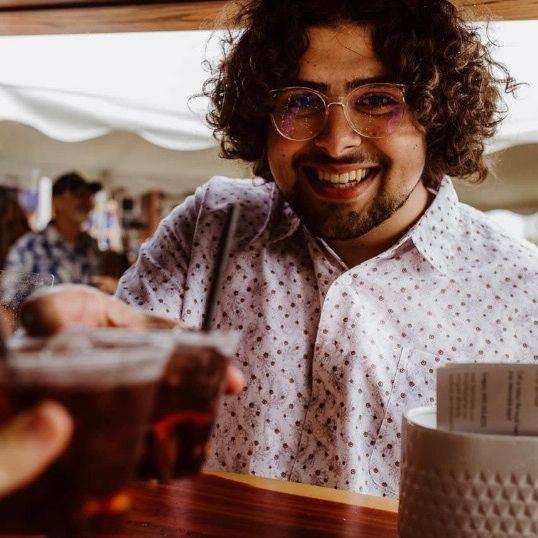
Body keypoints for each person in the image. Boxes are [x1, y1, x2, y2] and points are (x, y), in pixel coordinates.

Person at [20, 0, 537, 498]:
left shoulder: (523, 294)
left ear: (436, 113)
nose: (336, 142)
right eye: (300, 102)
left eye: (378, 100)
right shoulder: (210, 226)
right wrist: (68, 363)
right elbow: (108, 413)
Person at [5, 172, 102, 287]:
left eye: (89, 196)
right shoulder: (29, 247)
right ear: (57, 201)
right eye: (79, 195)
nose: (86, 202)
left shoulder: (91, 246)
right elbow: (11, 296)